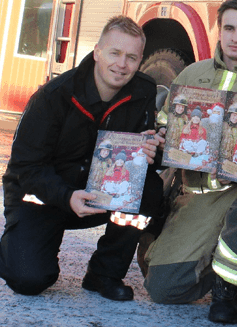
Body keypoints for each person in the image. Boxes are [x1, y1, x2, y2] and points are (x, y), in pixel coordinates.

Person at [0, 15, 163, 301]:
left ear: (140, 61)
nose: (122, 65)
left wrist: (154, 151)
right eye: (115, 53)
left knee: (148, 188)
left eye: (131, 57)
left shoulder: (144, 91)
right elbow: (24, 168)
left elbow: (143, 151)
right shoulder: (53, 96)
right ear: (98, 52)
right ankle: (16, 245)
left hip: (97, 194)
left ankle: (104, 274)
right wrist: (66, 196)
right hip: (42, 197)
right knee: (29, 279)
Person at [142, 0, 237, 325]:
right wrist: (159, 140)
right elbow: (166, 124)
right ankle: (213, 256)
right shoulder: (192, 74)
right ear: (219, 30)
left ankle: (228, 290)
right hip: (197, 195)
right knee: (162, 288)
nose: (236, 37)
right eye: (229, 28)